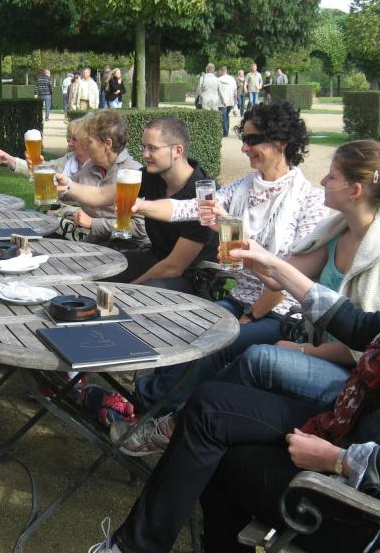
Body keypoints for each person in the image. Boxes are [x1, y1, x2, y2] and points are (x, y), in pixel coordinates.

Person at [90, 159, 380, 553]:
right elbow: (364, 327)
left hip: (377, 516)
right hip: (357, 433)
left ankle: (132, 547)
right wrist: (275, 268)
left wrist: (335, 459)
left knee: (220, 453)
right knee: (210, 405)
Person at [113, 141, 380, 455]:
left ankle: (173, 424)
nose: (322, 181)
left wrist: (299, 347)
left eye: (331, 176)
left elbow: (369, 351)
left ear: (355, 190)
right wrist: (242, 247)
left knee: (255, 356)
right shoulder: (338, 232)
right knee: (211, 330)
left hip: (349, 372)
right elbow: (282, 278)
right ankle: (163, 412)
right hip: (300, 332)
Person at [128, 100, 329, 409]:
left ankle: (146, 403)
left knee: (214, 342)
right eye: (243, 138)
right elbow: (188, 208)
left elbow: (288, 279)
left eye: (253, 139)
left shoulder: (309, 201)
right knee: (185, 328)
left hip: (281, 313)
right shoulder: (243, 188)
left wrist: (251, 316)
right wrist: (139, 205)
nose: (244, 148)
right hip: (239, 299)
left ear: (281, 142)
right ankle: (166, 407)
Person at [58, 117, 218, 292]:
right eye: (144, 147)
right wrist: (68, 185)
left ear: (177, 151)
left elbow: (174, 267)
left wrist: (128, 289)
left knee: (139, 292)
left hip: (192, 277)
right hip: (154, 257)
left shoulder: (204, 195)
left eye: (152, 148)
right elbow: (100, 195)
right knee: (98, 269)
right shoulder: (149, 176)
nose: (145, 154)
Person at [57, 110, 146, 244]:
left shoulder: (133, 174)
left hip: (127, 248)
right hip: (93, 244)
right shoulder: (91, 166)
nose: (85, 147)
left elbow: (140, 227)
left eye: (89, 142)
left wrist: (94, 223)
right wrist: (47, 181)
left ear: (107, 144)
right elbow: (67, 190)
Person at [0, 116, 88, 179]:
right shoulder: (69, 160)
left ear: (86, 143)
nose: (69, 143)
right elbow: (44, 170)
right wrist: (10, 160)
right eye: (69, 138)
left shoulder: (94, 168)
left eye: (74, 139)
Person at [217, 66, 236, 137]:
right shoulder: (232, 79)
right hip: (230, 101)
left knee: (223, 116)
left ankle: (225, 132)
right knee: (226, 115)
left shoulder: (218, 79)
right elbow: (235, 90)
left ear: (221, 71)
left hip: (222, 101)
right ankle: (226, 131)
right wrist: (235, 100)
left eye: (219, 71)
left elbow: (218, 90)